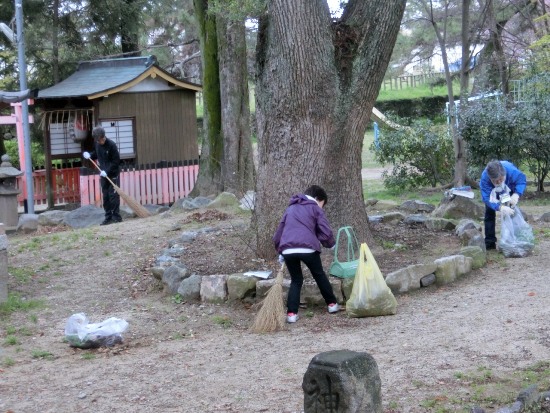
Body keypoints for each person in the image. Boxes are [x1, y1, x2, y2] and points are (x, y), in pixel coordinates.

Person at [273, 185, 340, 323]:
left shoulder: (290, 208)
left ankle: (291, 314)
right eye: (322, 204)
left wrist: (281, 250)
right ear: (318, 199)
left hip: (288, 250)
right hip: (308, 248)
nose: (321, 208)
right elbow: (324, 230)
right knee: (319, 275)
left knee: (296, 280)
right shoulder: (314, 207)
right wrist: (331, 244)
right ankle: (332, 304)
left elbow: (279, 232)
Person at [480, 160, 526, 250]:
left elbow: (521, 181)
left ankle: (513, 239)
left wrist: (516, 194)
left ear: (504, 174)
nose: (499, 182)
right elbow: (486, 197)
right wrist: (499, 207)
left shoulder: (511, 171)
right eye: (496, 181)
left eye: (501, 179)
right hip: (492, 193)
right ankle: (490, 242)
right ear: (490, 178)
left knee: (511, 212)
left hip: (509, 188)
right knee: (489, 213)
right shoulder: (485, 177)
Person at [83, 126, 122, 225]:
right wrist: (90, 155)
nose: (98, 142)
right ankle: (108, 217)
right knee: (106, 197)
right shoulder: (97, 144)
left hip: (112, 174)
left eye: (99, 140)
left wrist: (107, 171)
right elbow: (96, 154)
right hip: (103, 175)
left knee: (113, 196)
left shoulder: (112, 145)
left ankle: (116, 217)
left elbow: (116, 162)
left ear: (103, 137)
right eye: (96, 140)